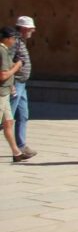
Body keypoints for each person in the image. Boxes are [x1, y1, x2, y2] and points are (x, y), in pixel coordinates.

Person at [0, 27, 32, 162]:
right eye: (13, 39)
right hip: (1, 93)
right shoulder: (1, 51)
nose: (14, 41)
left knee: (8, 122)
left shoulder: (5, 50)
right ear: (6, 38)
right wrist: (18, 65)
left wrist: (11, 84)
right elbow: (3, 75)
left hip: (5, 91)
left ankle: (16, 153)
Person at [11, 16, 37, 158]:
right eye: (30, 28)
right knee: (6, 119)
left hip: (22, 83)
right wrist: (11, 83)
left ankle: (21, 146)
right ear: (22, 28)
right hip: (15, 84)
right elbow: (7, 62)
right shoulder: (14, 42)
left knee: (23, 115)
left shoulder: (21, 41)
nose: (32, 31)